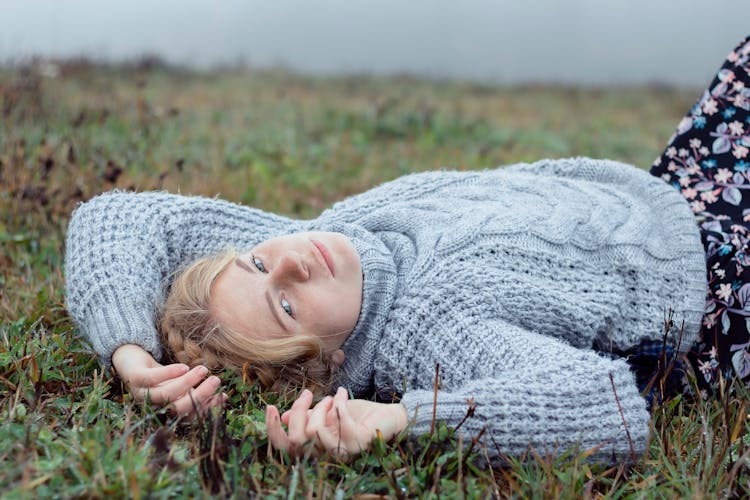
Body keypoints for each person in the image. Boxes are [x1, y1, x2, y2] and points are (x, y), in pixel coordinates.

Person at [64, 35, 750, 463]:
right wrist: (400, 419)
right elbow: (603, 406)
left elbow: (121, 215)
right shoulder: (422, 330)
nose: (294, 261)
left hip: (676, 197)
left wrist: (129, 353)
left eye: (258, 261)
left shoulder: (339, 240)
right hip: (723, 280)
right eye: (285, 307)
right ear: (328, 365)